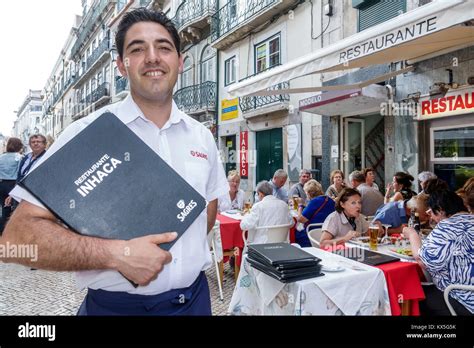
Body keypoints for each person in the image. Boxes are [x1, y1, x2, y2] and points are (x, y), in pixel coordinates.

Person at [1, 9, 228, 316]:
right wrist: (115, 254)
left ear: (180, 61)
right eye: (137, 49)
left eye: (163, 47)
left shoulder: (202, 136)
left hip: (195, 304)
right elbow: (15, 241)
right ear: (121, 65)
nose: (152, 57)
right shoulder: (86, 134)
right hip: (116, 309)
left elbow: (207, 212)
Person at [403, 190, 473, 315]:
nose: (432, 217)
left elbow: (423, 261)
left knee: (410, 293)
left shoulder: (448, 226)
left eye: (431, 212)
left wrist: (412, 234)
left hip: (464, 299)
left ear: (440, 210)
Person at [240, 181, 292, 245]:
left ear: (261, 194)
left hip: (261, 245)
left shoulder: (258, 206)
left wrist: (246, 215)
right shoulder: (284, 205)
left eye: (257, 194)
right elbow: (291, 223)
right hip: (282, 244)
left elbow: (244, 226)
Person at [4, 134, 48, 210]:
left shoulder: (47, 157)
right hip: (21, 193)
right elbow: (19, 177)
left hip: (36, 196)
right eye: (33, 142)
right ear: (30, 145)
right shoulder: (25, 157)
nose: (35, 143)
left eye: (38, 141)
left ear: (44, 144)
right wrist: (12, 195)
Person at [295, 179, 335, 247]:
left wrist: (300, 205)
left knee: (296, 234)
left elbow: (300, 219)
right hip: (328, 232)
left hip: (312, 233)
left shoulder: (314, 202)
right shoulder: (330, 200)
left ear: (309, 193)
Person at [0, 137, 23, 233]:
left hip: (1, 184)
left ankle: (2, 230)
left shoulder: (1, 157)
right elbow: (19, 172)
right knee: (15, 209)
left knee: (4, 207)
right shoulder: (19, 157)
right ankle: (12, 231)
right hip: (13, 184)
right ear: (19, 146)